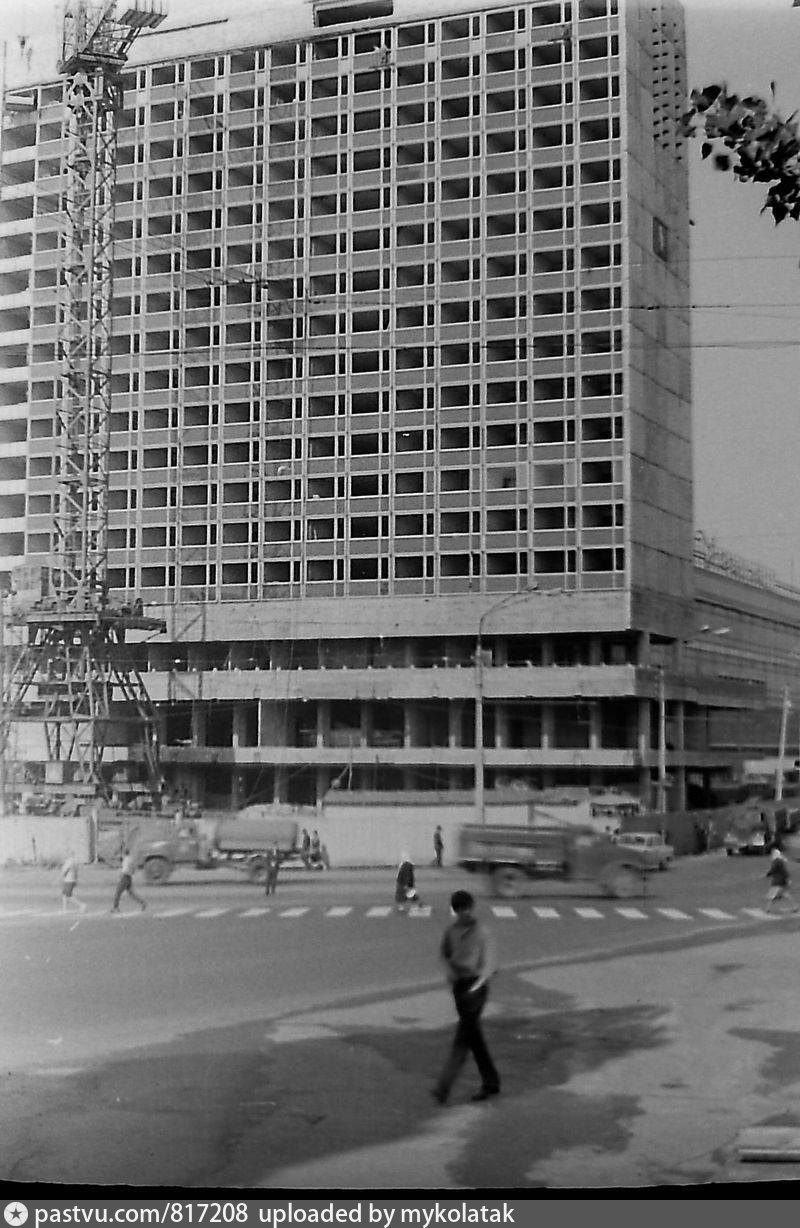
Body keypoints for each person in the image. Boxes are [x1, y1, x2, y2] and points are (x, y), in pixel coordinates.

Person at [432, 890, 500, 1105]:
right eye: (461, 910)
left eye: (468, 909)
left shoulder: (482, 932)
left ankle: (444, 1086)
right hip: (460, 987)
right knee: (473, 1037)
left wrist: (479, 983)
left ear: (472, 908)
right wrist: (450, 973)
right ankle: (491, 1082)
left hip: (476, 987)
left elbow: (490, 964)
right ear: (456, 911)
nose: (466, 913)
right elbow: (444, 954)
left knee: (465, 1036)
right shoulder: (451, 932)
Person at [111, 849, 147, 914]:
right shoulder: (130, 859)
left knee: (118, 893)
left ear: (124, 853)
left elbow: (125, 869)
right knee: (132, 893)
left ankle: (115, 907)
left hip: (124, 877)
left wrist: (121, 873)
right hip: (129, 878)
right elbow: (133, 869)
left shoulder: (126, 860)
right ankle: (142, 902)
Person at [765, 847, 798, 914]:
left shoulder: (777, 862)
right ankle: (795, 907)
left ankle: (767, 909)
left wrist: (768, 874)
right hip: (782, 881)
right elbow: (783, 871)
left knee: (772, 896)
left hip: (778, 882)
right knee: (784, 894)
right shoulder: (780, 861)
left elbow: (773, 870)